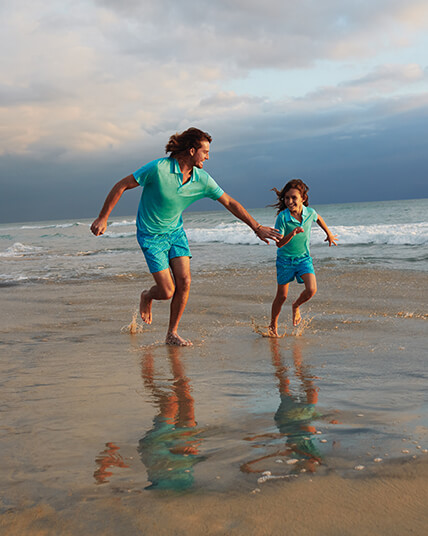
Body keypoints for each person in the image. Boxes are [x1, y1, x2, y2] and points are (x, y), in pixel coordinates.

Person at [91, 127, 281, 346]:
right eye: (205, 152)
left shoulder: (202, 179)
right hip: (150, 236)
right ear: (192, 151)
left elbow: (229, 202)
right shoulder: (158, 168)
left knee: (185, 281)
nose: (208, 157)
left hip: (176, 234)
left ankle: (172, 333)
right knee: (167, 291)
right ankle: (147, 296)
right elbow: (122, 185)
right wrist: (103, 218)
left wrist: (256, 227)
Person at [268, 179, 338, 336]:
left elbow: (318, 217)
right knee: (281, 296)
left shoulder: (309, 213)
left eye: (294, 198)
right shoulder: (282, 217)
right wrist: (291, 234)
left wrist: (329, 234)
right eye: (287, 198)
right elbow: (278, 244)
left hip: (303, 259)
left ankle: (296, 306)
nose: (290, 201)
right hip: (285, 261)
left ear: (303, 199)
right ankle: (273, 325)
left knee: (311, 289)